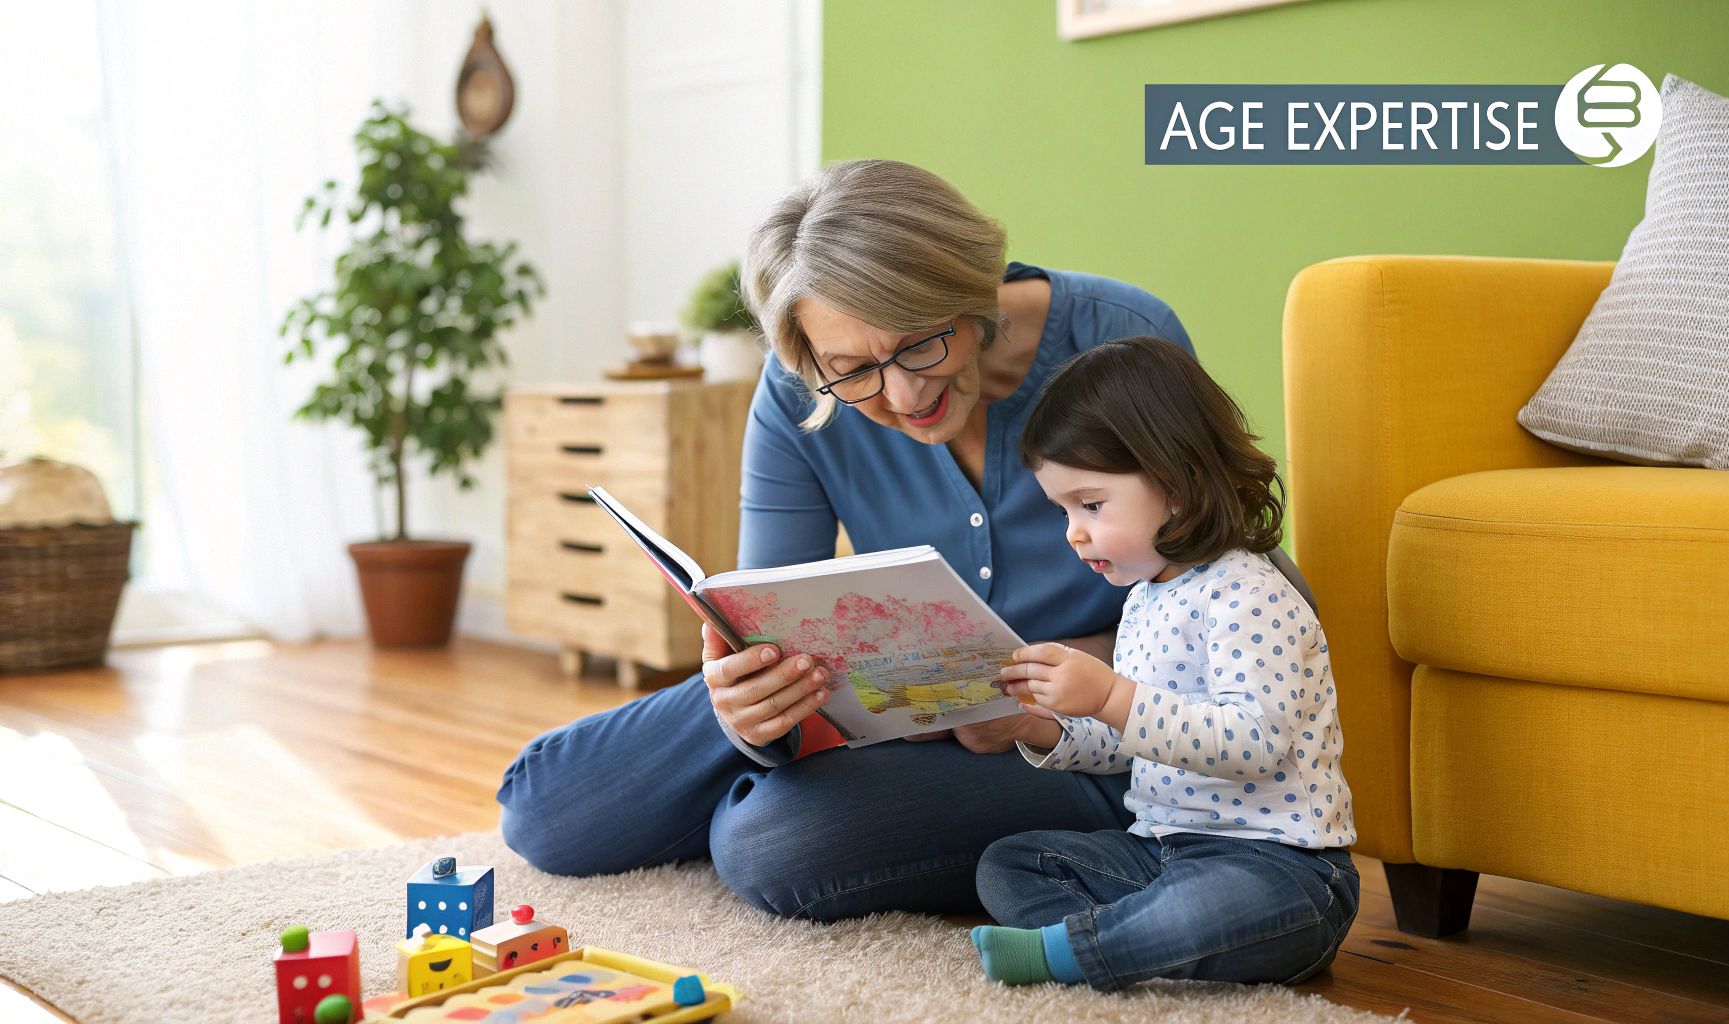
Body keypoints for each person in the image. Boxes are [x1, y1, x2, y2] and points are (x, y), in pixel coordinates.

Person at [495, 159, 1317, 922]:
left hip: (1087, 742)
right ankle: (780, 775)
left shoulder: (1120, 341)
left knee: (770, 844)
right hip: (875, 706)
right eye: (853, 370)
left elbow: (1216, 602)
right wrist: (747, 707)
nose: (904, 393)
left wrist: (1027, 687)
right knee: (543, 802)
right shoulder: (801, 391)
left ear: (972, 289)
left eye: (921, 342)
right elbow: (768, 617)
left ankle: (810, 799)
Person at [972, 336, 1358, 988]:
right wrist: (1042, 726)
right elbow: (1132, 743)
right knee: (1011, 862)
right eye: (1062, 509)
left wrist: (1109, 696)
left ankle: (1080, 952)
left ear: (1177, 483)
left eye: (1090, 504)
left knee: (1209, 906)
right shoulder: (1147, 598)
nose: (1074, 531)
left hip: (1282, 867)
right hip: (1163, 852)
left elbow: (1255, 743)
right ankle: (1140, 942)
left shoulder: (1249, 589)